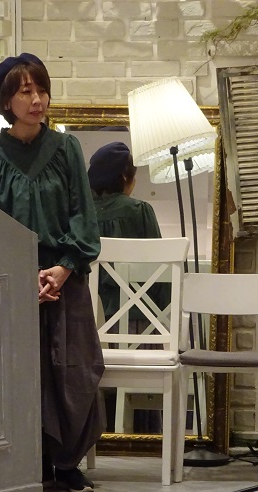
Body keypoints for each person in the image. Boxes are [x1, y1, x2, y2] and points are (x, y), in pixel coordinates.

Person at [0, 53, 104, 492]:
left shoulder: (66, 148)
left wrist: (63, 269)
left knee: (74, 369)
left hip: (66, 276)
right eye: (25, 91)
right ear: (5, 100)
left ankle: (67, 463)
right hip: (14, 283)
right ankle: (29, 462)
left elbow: (83, 216)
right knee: (20, 372)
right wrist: (23, 276)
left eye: (41, 89)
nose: (37, 99)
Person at [88, 141, 169, 433]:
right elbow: (161, 274)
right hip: (140, 321)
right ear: (125, 177)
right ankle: (146, 436)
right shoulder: (140, 211)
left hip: (94, 323)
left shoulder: (82, 213)